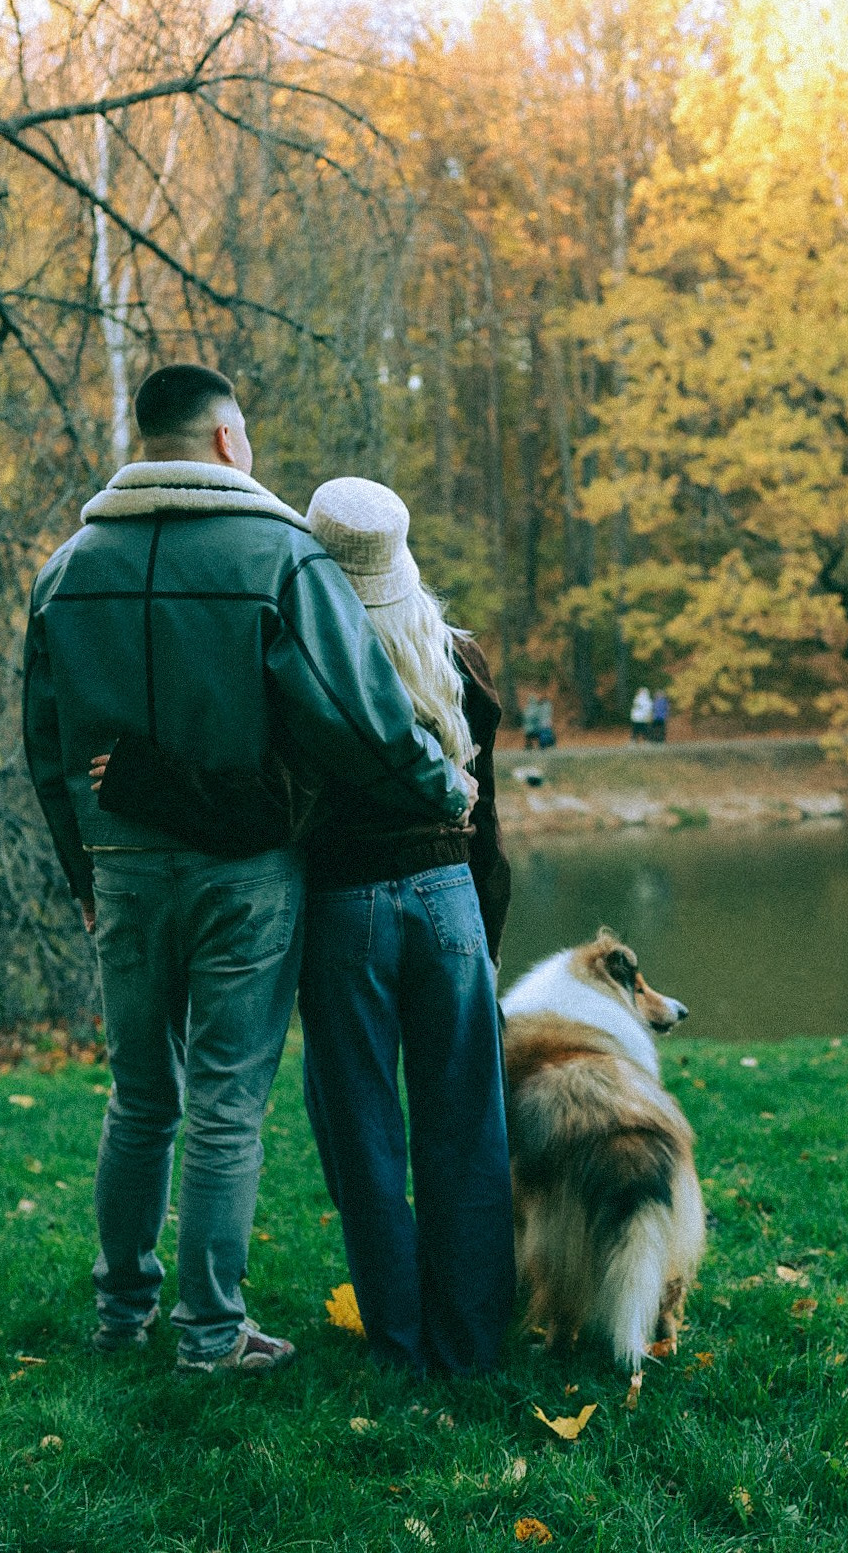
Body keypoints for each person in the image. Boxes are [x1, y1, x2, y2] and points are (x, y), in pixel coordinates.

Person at [22, 365, 472, 1377]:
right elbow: (356, 711)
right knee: (226, 1099)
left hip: (121, 867)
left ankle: (121, 1308)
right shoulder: (280, 555)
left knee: (140, 1095)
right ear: (228, 442)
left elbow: (46, 746)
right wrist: (442, 784)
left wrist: (82, 875)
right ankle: (212, 1332)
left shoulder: (63, 571)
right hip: (246, 876)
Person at [297, 479, 515, 1376]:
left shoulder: (299, 654)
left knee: (364, 1135)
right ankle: (470, 1346)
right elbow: (488, 823)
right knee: (467, 1128)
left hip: (344, 907)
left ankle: (398, 1342)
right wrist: (485, 942)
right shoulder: (454, 656)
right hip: (449, 897)